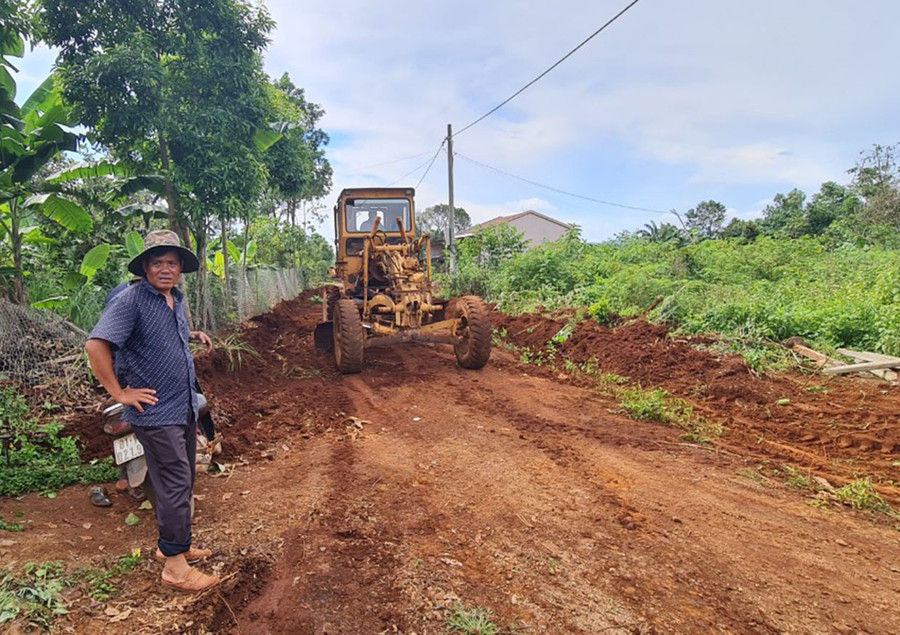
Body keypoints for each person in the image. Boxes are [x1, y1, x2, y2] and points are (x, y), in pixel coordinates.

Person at [85, 229, 219, 592]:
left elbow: (161, 333)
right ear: (145, 266)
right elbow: (95, 345)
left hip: (183, 405)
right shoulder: (131, 301)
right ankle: (174, 567)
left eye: (171, 262)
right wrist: (119, 392)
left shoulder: (175, 298)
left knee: (184, 478)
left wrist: (191, 334)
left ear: (180, 268)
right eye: (157, 262)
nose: (165, 269)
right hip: (156, 412)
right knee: (174, 483)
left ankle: (176, 546)